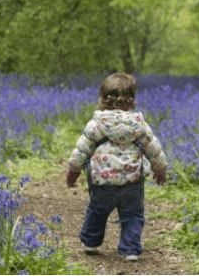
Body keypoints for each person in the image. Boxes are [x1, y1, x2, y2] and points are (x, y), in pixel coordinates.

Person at [65, 72, 167, 261]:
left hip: (103, 181)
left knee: (97, 210)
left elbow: (82, 150)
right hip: (132, 182)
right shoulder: (139, 125)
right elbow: (154, 148)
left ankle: (91, 241)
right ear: (132, 100)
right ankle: (130, 249)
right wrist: (160, 170)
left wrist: (73, 170)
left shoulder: (97, 124)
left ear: (102, 98)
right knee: (133, 215)